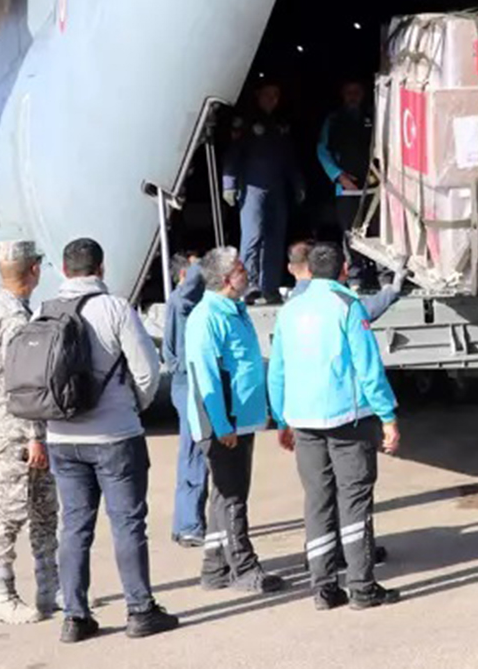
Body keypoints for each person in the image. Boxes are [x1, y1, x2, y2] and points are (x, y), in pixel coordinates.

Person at [46, 238, 177, 643]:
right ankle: (140, 611)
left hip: (60, 437)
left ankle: (74, 617)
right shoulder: (116, 308)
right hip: (115, 436)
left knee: (73, 526)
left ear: (65, 271)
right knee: (127, 523)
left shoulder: (43, 311)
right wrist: (130, 408)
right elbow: (147, 371)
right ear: (101, 269)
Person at [268, 241, 401, 611]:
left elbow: (277, 371)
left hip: (304, 422)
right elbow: (368, 367)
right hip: (347, 421)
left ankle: (324, 588)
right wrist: (387, 417)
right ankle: (361, 587)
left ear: (308, 270)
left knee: (318, 502)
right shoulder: (348, 306)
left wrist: (282, 419)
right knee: (355, 500)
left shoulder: (290, 311)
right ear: (344, 270)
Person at [185, 247, 285, 594]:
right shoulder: (207, 316)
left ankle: (215, 567)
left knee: (224, 495)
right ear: (228, 279)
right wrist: (222, 426)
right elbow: (206, 376)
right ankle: (245, 568)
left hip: (241, 420)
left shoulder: (235, 310)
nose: (247, 273)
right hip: (224, 424)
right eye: (241, 268)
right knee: (233, 498)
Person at [0, 239, 58, 625]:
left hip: (18, 430)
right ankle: (3, 594)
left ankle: (49, 588)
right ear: (33, 271)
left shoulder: (8, 311)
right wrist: (35, 436)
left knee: (44, 509)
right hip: (15, 433)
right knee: (10, 512)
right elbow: (22, 382)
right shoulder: (12, 319)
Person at [223, 79, 305, 304]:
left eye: (276, 96)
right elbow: (233, 153)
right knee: (253, 237)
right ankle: (248, 285)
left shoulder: (280, 123)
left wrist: (297, 183)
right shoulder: (246, 122)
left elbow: (289, 158)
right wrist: (229, 182)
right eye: (268, 95)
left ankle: (269, 286)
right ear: (258, 95)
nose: (272, 100)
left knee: (275, 238)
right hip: (252, 187)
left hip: (276, 187)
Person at [162, 252, 207, 548]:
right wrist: (208, 263)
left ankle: (186, 522)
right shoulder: (182, 302)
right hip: (189, 383)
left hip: (187, 382)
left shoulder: (183, 304)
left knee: (192, 452)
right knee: (194, 454)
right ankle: (189, 524)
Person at [316, 80, 374, 288]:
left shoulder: (373, 116)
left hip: (374, 187)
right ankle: (356, 276)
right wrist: (339, 176)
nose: (353, 96)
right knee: (351, 233)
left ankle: (382, 276)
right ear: (342, 94)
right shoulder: (334, 120)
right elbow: (322, 151)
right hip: (345, 187)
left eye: (356, 91)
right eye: (349, 92)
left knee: (377, 232)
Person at [287, 238, 406, 321]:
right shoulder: (333, 299)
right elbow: (364, 311)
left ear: (290, 269)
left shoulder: (288, 309)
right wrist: (392, 290)